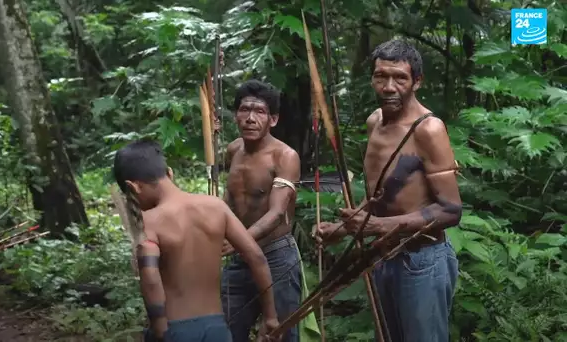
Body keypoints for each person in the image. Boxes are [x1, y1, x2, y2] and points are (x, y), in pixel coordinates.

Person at [314, 39, 462, 342]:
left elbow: (450, 210)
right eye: (381, 76)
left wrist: (377, 226)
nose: (389, 86)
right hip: (384, 257)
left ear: (417, 81)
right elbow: (382, 198)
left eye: (400, 77)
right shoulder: (375, 123)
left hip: (422, 260)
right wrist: (343, 229)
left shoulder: (428, 129)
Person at [112, 139, 280, 342]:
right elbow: (257, 258)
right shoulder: (216, 207)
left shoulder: (150, 223)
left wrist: (159, 328)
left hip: (175, 330)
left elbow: (150, 280)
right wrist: (270, 316)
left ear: (133, 187)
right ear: (170, 173)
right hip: (217, 329)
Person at [220, 79, 308, 342]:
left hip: (276, 255)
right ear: (236, 115)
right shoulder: (234, 150)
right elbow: (230, 197)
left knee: (279, 333)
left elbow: (277, 213)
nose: (250, 118)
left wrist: (239, 240)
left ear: (273, 119)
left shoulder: (284, 156)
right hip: (240, 259)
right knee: (225, 329)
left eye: (259, 112)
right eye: (244, 110)